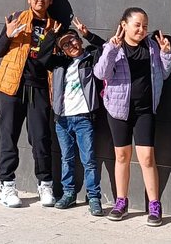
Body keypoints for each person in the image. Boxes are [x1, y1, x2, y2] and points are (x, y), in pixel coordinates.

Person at [94, 8, 171, 226]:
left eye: (145, 25)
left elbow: (164, 74)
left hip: (145, 110)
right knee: (122, 157)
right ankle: (121, 202)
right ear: (124, 25)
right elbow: (101, 74)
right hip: (119, 110)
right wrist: (111, 48)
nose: (141, 29)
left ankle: (155, 205)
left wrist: (166, 54)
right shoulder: (113, 48)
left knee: (147, 158)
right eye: (137, 25)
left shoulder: (152, 47)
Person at [0, 0, 63, 208]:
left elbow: (54, 59)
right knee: (9, 134)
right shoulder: (16, 18)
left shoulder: (56, 25)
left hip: (40, 86)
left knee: (40, 136)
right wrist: (9, 34)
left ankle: (45, 184)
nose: (39, 0)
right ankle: (6, 184)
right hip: (13, 84)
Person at [51, 18, 107, 216]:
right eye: (65, 44)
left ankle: (93, 197)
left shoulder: (91, 57)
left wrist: (87, 34)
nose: (71, 45)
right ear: (62, 50)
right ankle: (68, 194)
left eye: (73, 40)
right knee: (67, 158)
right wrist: (52, 36)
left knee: (88, 160)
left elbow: (107, 47)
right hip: (63, 119)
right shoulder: (58, 64)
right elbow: (40, 57)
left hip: (83, 118)